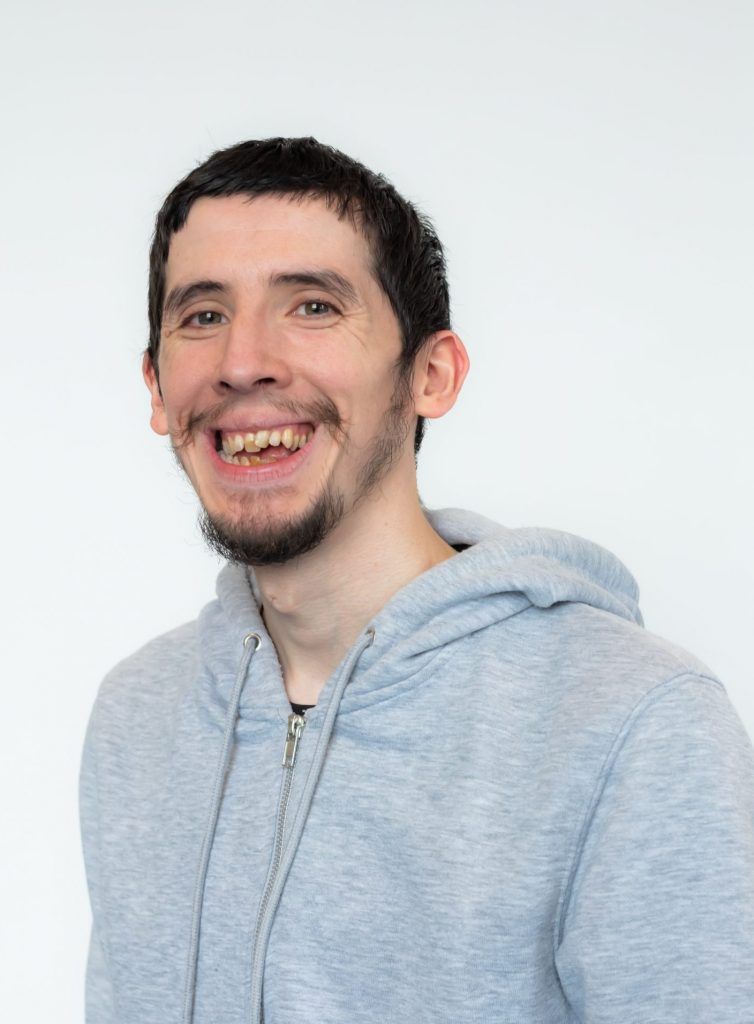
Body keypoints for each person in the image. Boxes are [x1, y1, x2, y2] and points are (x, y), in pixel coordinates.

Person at [80, 137, 754, 1024]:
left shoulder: (634, 722)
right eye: (202, 316)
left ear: (431, 375)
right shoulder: (141, 715)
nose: (243, 361)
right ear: (157, 386)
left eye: (313, 306)